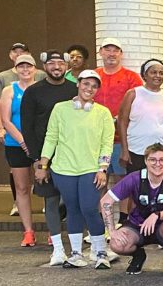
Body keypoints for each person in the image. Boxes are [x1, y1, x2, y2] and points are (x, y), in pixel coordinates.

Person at [35, 70, 115, 269]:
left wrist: (102, 169)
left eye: (94, 86)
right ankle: (77, 253)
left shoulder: (103, 113)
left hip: (91, 169)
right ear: (78, 84)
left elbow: (107, 143)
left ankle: (100, 251)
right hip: (63, 169)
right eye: (86, 84)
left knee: (89, 207)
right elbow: (51, 137)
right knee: (73, 209)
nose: (89, 89)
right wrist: (43, 165)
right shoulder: (60, 109)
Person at [23, 51, 85, 260]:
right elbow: (28, 128)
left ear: (66, 65)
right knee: (51, 200)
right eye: (51, 63)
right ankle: (57, 248)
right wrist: (37, 161)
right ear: (44, 66)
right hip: (45, 157)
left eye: (60, 63)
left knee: (75, 201)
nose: (56, 66)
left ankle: (77, 246)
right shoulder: (33, 92)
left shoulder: (74, 90)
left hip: (73, 155)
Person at [100, 143, 163, 276]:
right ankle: (138, 256)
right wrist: (111, 231)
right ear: (145, 161)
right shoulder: (134, 177)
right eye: (152, 160)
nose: (157, 164)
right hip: (137, 225)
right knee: (116, 243)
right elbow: (106, 201)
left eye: (162, 160)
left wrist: (156, 215)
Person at [0, 54, 40, 246]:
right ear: (16, 69)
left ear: (34, 69)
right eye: (21, 67)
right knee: (22, 188)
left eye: (29, 67)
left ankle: (52, 231)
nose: (25, 70)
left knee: (47, 187)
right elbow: (6, 119)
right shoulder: (9, 90)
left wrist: (34, 143)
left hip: (39, 145)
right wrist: (24, 142)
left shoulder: (40, 88)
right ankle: (28, 231)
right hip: (16, 145)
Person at [93, 38, 145, 181]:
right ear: (101, 52)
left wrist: (119, 117)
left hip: (121, 140)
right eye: (107, 50)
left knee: (124, 182)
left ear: (121, 54)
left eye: (115, 50)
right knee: (97, 182)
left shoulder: (131, 77)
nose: (111, 54)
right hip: (95, 140)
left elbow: (139, 105)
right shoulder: (93, 76)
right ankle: (101, 205)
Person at [118, 59, 163, 173]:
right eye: (153, 72)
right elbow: (122, 122)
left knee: (162, 188)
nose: (158, 76)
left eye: (161, 73)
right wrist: (124, 150)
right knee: (137, 188)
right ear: (144, 75)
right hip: (137, 151)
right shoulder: (133, 94)